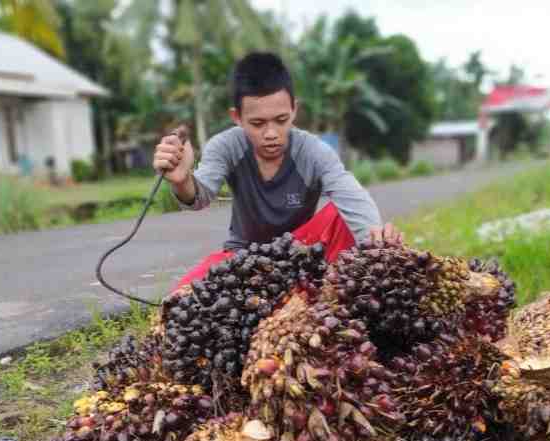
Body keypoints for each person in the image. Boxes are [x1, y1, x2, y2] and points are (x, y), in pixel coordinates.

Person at [153, 52, 403, 290]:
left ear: (294, 109)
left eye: (281, 120)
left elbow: (351, 195)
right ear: (237, 117)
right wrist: (181, 180)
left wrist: (378, 247)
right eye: (258, 123)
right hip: (243, 260)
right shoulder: (225, 145)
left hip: (301, 255)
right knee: (181, 297)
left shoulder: (313, 150)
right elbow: (200, 195)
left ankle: (321, 290)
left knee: (342, 215)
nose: (271, 134)